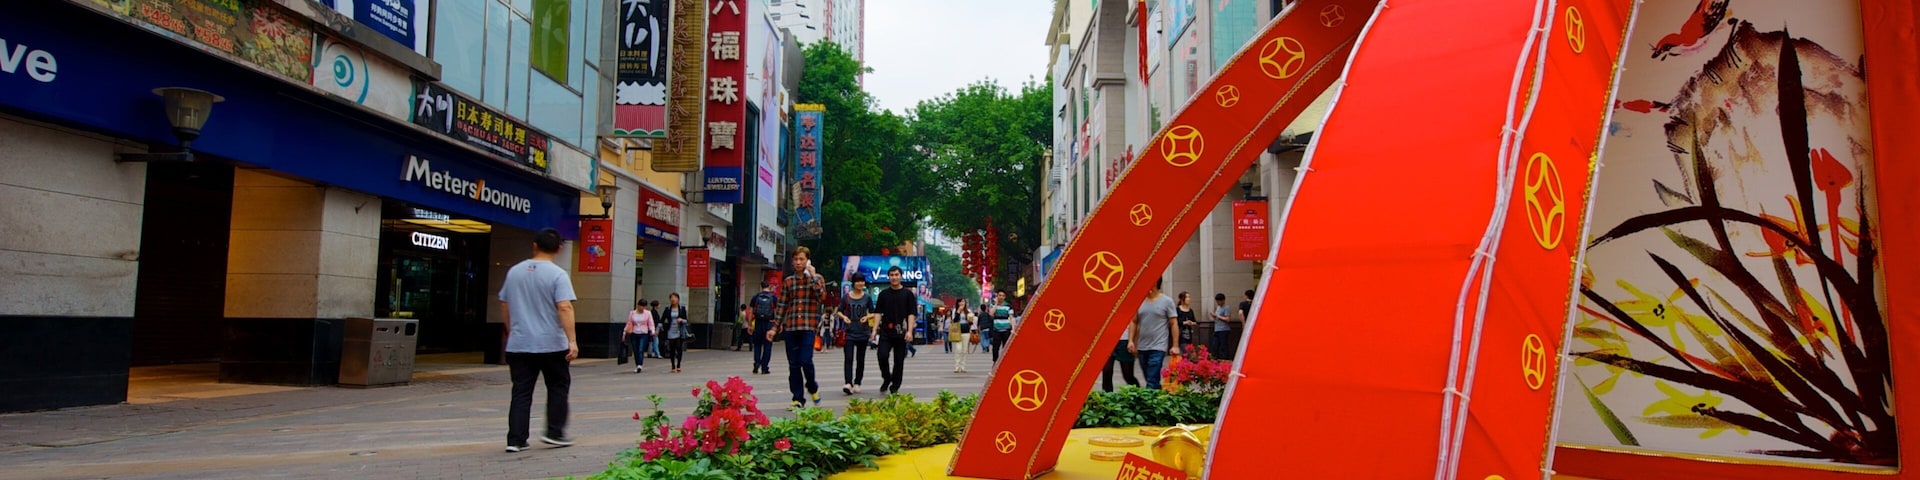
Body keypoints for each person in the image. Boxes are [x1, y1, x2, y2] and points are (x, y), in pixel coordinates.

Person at [499, 228, 578, 453]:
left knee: (521, 391)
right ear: (559, 249)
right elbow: (564, 306)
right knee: (557, 387)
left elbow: (504, 303)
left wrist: (511, 329)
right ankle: (554, 432)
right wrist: (572, 340)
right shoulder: (558, 274)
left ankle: (515, 439)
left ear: (534, 245)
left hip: (520, 343)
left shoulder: (514, 272)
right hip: (551, 343)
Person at [769, 247, 826, 408]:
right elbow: (781, 306)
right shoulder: (788, 281)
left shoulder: (817, 278)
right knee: (794, 365)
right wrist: (774, 328)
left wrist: (813, 276)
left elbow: (821, 297)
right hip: (791, 328)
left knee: (805, 360)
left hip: (808, 327)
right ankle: (797, 398)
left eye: (801, 259)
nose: (798, 262)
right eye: (796, 259)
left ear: (807, 260)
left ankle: (812, 387)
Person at [1129, 278, 1182, 390]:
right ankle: (1158, 398)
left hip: (1159, 345)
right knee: (1150, 377)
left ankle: (1149, 404)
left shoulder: (1167, 301)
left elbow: (1173, 323)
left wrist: (1175, 345)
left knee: (1152, 379)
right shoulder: (1139, 301)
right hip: (1142, 346)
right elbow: (1134, 321)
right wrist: (1131, 341)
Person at [874, 267, 918, 395]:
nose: (894, 277)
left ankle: (895, 386)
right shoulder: (883, 294)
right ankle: (887, 378)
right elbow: (877, 313)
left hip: (901, 332)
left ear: (901, 276)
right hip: (886, 332)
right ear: (889, 277)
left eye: (896, 274)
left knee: (899, 361)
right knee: (882, 355)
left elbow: (911, 314)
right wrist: (874, 330)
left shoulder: (908, 294)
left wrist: (909, 331)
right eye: (891, 275)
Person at [837, 277, 875, 394]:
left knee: (860, 359)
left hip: (863, 332)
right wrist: (844, 317)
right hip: (849, 332)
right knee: (848, 358)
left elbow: (873, 312)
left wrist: (867, 317)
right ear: (853, 283)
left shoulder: (867, 297)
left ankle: (858, 382)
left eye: (862, 281)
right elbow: (839, 311)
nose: (860, 283)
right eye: (858, 281)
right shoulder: (846, 297)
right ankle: (848, 383)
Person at [749, 282, 779, 375]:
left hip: (758, 323)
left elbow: (751, 312)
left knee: (757, 345)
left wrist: (750, 324)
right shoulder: (773, 297)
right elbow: (776, 312)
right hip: (769, 323)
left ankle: (757, 363)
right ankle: (764, 367)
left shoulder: (755, 297)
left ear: (761, 286)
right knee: (767, 346)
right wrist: (778, 324)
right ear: (769, 287)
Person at [1102, 323, 1139, 392]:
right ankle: (1107, 396)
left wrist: (1131, 340)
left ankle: (1137, 393)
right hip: (1107, 339)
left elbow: (1133, 322)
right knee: (1107, 371)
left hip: (1124, 340)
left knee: (1127, 373)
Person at [624, 299, 654, 374]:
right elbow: (629, 323)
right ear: (638, 305)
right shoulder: (632, 313)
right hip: (634, 333)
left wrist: (652, 331)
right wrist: (624, 333)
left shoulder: (648, 313)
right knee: (635, 350)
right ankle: (637, 364)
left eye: (644, 306)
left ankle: (640, 365)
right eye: (641, 306)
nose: (642, 308)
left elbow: (651, 323)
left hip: (643, 333)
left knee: (640, 349)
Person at [661, 293, 689, 373]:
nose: (673, 299)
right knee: (672, 349)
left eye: (675, 298)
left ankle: (678, 365)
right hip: (670, 330)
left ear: (678, 299)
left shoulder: (682, 309)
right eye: (671, 298)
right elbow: (662, 319)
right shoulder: (667, 309)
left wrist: (681, 320)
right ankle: (673, 366)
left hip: (679, 331)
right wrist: (659, 328)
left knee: (679, 348)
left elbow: (686, 320)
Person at [989, 291, 1014, 362]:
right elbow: (991, 313)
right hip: (996, 330)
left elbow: (1011, 317)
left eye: (1003, 296)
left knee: (1006, 348)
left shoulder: (1008, 306)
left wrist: (1013, 328)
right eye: (1000, 295)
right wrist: (996, 304)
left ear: (1005, 297)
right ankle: (995, 363)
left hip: (1006, 330)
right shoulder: (993, 304)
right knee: (995, 348)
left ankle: (1005, 363)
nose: (1001, 297)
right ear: (997, 296)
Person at [950, 299, 973, 373]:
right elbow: (955, 320)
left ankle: (963, 367)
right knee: (958, 349)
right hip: (958, 332)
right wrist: (958, 311)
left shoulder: (968, 311)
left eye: (963, 302)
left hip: (966, 332)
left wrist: (970, 321)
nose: (962, 303)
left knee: (964, 350)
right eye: (960, 302)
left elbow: (970, 323)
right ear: (958, 303)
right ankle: (957, 367)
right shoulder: (955, 310)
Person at [1211, 293, 1233, 359]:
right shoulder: (1218, 307)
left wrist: (1218, 316)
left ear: (1223, 300)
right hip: (1217, 329)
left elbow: (1228, 319)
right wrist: (1214, 316)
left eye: (1219, 301)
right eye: (1217, 301)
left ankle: (1225, 359)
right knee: (1215, 345)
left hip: (1224, 329)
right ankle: (1216, 358)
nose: (1217, 303)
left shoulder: (1226, 307)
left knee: (1223, 346)